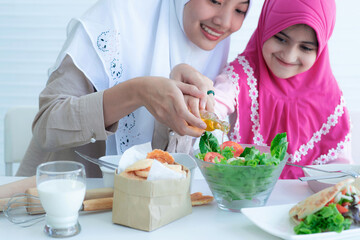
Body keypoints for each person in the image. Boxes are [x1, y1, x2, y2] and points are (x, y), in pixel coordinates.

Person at [16, 0, 251, 177]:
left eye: (240, 9)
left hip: (141, 210)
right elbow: (46, 127)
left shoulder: (215, 47)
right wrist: (139, 92)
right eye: (215, 0)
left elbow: (166, 165)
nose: (224, 21)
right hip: (61, 203)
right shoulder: (115, 18)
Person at [170, 0, 352, 179]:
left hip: (308, 203)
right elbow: (215, 104)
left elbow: (341, 169)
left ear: (320, 50)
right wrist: (201, 104)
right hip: (246, 196)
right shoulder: (243, 75)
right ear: (265, 28)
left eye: (305, 47)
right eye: (280, 38)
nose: (289, 56)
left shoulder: (329, 96)